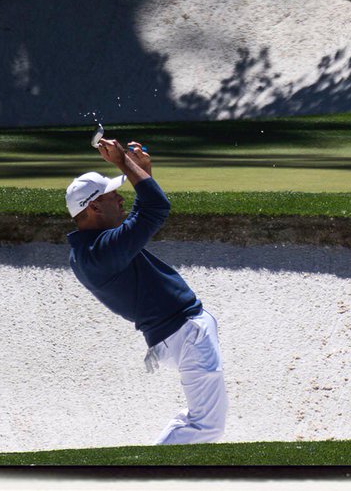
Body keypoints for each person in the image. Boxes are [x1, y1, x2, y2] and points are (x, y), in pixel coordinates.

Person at [65, 137, 228, 445]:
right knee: (207, 426)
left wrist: (143, 171)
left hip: (176, 334)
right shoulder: (102, 251)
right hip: (184, 334)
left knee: (194, 422)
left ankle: (160, 461)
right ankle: (148, 468)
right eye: (113, 196)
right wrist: (123, 162)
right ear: (94, 206)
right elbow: (155, 208)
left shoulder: (90, 248)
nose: (121, 200)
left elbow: (142, 214)